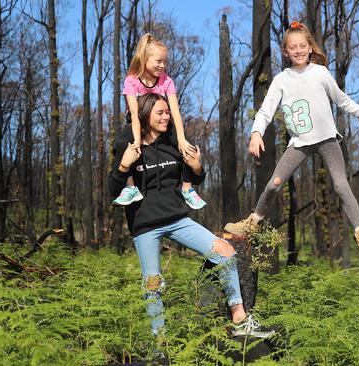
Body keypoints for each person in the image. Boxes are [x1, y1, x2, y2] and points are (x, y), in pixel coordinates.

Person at [108, 93, 273, 338]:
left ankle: (239, 319)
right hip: (145, 226)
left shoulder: (174, 143)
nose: (166, 117)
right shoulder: (131, 146)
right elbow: (114, 190)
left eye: (167, 112)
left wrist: (196, 166)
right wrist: (123, 165)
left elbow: (196, 178)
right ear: (144, 116)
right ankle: (159, 342)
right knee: (153, 283)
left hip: (178, 219)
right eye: (160, 113)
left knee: (226, 251)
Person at [224, 21, 359, 256]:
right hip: (299, 142)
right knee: (274, 183)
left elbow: (342, 100)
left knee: (340, 184)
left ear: (310, 48)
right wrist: (256, 132)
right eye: (293, 47)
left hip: (327, 139)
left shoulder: (320, 73)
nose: (298, 50)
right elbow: (266, 110)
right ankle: (253, 222)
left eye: (302, 46)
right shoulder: (281, 80)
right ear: (286, 52)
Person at [112, 33, 205, 210]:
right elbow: (134, 112)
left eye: (164, 61)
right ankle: (131, 187)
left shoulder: (166, 81)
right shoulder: (131, 81)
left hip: (161, 120)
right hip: (136, 121)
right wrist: (137, 142)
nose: (162, 65)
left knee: (186, 147)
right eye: (158, 61)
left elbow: (175, 112)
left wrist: (182, 140)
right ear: (144, 59)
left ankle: (187, 188)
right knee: (124, 143)